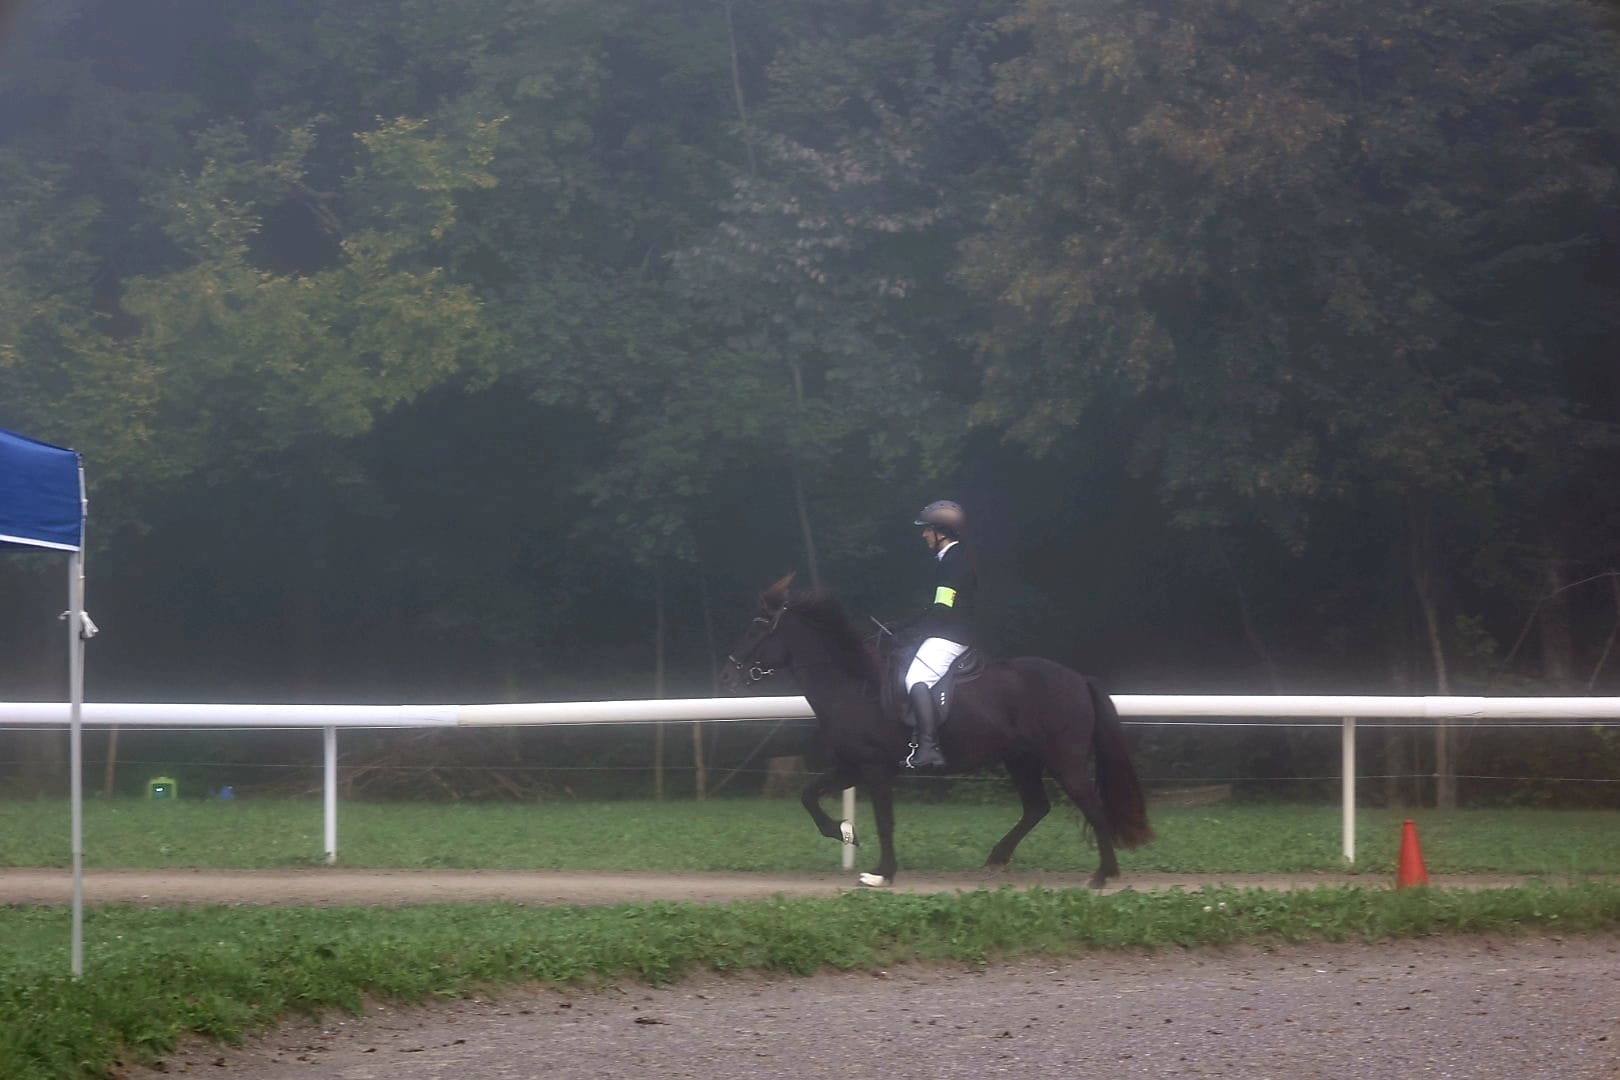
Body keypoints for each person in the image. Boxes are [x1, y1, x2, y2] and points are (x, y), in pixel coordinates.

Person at [901, 499, 977, 768]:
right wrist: (906, 625)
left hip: (950, 637)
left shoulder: (954, 562)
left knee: (915, 678)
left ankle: (928, 747)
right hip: (947, 631)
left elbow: (943, 608)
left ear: (941, 532)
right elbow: (936, 606)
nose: (923, 534)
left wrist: (915, 630)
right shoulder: (950, 559)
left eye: (927, 529)